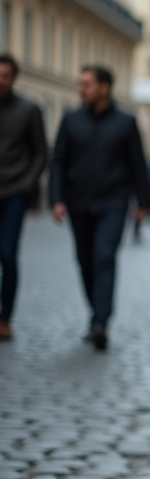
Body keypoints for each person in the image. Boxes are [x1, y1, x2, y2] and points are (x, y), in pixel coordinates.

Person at [49, 65, 150, 352]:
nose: (81, 90)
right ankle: (96, 311)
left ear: (104, 88)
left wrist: (143, 203)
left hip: (113, 201)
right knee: (85, 260)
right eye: (80, 84)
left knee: (104, 256)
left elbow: (138, 164)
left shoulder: (125, 122)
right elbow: (58, 161)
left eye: (87, 85)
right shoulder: (70, 120)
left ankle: (101, 323)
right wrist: (56, 199)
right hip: (78, 202)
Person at [0, 53, 48, 341]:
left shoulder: (29, 110)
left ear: (14, 78)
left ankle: (5, 317)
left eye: (6, 76)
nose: (0, 81)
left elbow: (41, 152)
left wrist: (27, 184)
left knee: (7, 254)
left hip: (14, 192)